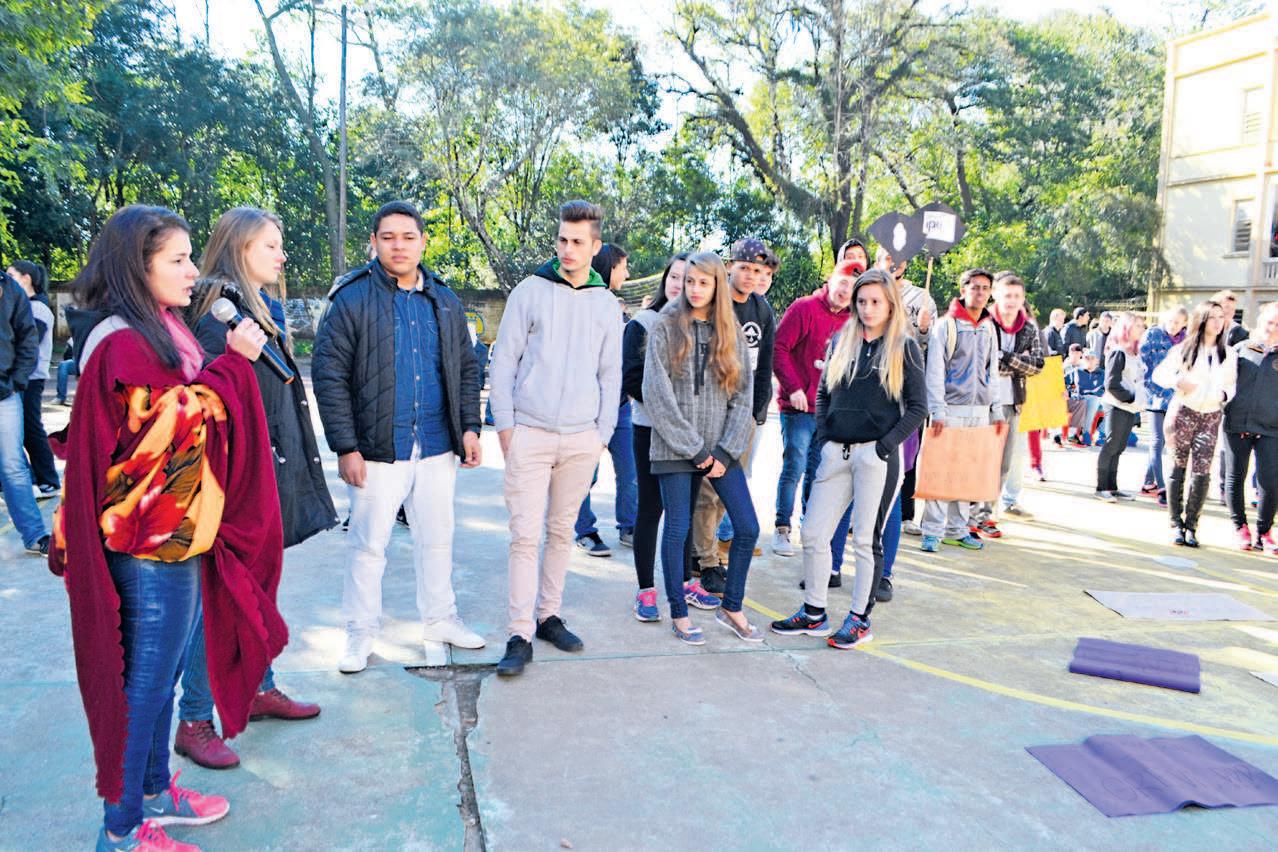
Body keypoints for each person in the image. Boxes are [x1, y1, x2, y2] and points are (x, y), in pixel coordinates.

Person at [51, 204, 283, 851]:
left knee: (163, 681)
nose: (191, 272)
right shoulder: (123, 341)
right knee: (145, 688)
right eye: (177, 260)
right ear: (138, 266)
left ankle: (154, 793)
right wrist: (233, 364)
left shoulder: (159, 327)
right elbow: (169, 432)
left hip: (177, 534)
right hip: (148, 541)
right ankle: (122, 830)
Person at [173, 207, 337, 769]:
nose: (282, 255)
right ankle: (194, 720)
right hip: (230, 481)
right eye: (271, 245)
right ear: (241, 246)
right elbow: (203, 396)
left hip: (262, 470)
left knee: (256, 588)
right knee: (222, 598)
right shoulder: (214, 310)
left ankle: (260, 688)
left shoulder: (256, 305)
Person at [313, 200, 486, 675]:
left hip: (436, 444)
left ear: (423, 242)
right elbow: (330, 377)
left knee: (438, 539)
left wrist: (469, 427)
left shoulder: (444, 300)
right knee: (369, 547)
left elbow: (465, 370)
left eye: (408, 237)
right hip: (376, 449)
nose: (399, 246)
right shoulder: (351, 299)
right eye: (388, 237)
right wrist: (346, 447)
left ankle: (441, 619)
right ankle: (360, 633)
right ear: (373, 242)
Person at [489, 200, 622, 677]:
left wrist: (602, 434)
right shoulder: (530, 290)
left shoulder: (606, 303)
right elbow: (504, 361)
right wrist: (506, 427)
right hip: (530, 432)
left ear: (595, 247)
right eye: (563, 239)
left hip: (581, 439)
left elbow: (611, 373)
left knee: (562, 531)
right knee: (525, 536)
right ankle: (519, 633)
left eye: (577, 242)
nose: (567, 249)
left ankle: (549, 616)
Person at [770, 268, 926, 648]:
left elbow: (918, 408)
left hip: (876, 457)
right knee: (813, 533)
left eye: (875, 302)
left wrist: (883, 447)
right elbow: (824, 392)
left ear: (890, 305)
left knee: (865, 540)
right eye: (862, 301)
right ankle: (814, 612)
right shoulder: (842, 339)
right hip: (835, 452)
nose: (868, 309)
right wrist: (825, 438)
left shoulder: (904, 347)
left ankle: (859, 620)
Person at [642, 251, 761, 645]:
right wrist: (695, 452)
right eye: (689, 281)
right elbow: (656, 394)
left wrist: (724, 452)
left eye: (703, 282)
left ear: (717, 286)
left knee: (747, 527)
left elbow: (743, 396)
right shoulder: (665, 326)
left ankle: (732, 607)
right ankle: (679, 614)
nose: (693, 289)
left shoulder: (731, 332)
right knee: (677, 528)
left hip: (721, 450)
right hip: (675, 449)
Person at [623, 253, 722, 621]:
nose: (681, 285)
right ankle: (646, 590)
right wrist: (671, 409)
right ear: (666, 280)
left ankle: (682, 583)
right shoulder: (644, 323)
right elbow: (633, 379)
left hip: (687, 439)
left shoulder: (700, 326)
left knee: (683, 512)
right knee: (651, 510)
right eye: (676, 277)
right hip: (650, 431)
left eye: (690, 278)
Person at [691, 237, 774, 593]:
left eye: (757, 270)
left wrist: (756, 411)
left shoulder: (762, 309)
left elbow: (764, 364)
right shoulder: (714, 304)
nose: (751, 276)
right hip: (713, 412)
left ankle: (706, 551)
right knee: (708, 490)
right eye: (744, 268)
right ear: (730, 267)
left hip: (745, 415)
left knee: (729, 491)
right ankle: (706, 559)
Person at [771, 258, 858, 556]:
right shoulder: (804, 308)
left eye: (852, 287)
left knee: (818, 471)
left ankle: (810, 527)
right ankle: (782, 526)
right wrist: (793, 387)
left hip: (829, 411)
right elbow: (779, 348)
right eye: (842, 283)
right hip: (798, 406)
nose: (845, 291)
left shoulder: (853, 321)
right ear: (830, 280)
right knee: (794, 465)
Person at [919, 269, 1005, 553]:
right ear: (963, 290)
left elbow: (993, 371)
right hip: (950, 409)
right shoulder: (946, 325)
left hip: (979, 410)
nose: (980, 292)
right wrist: (938, 410)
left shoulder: (989, 327)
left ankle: (957, 529)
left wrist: (995, 409)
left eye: (985, 288)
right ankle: (932, 530)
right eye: (974, 287)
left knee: (967, 472)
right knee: (941, 470)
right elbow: (934, 370)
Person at [1153, 301, 1238, 546]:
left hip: (1210, 415)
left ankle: (1191, 525)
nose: (1218, 322)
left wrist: (1223, 395)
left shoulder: (1228, 354)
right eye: (1213, 317)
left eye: (1221, 317)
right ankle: (1175, 523)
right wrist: (1177, 381)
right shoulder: (1184, 348)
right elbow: (1159, 374)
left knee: (1202, 471)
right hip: (1183, 411)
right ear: (1201, 320)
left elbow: (1232, 384)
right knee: (1177, 466)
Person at [574, 243, 638, 556]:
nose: (627, 274)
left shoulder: (614, 306)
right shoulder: (583, 303)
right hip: (587, 409)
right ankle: (584, 530)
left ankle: (629, 526)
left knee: (630, 470)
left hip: (620, 407)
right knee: (586, 473)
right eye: (623, 267)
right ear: (610, 267)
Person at [875, 246, 936, 537]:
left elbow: (930, 343)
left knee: (908, 450)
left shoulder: (921, 298)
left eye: (898, 258)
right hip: (875, 381)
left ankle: (906, 513)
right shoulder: (870, 290)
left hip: (908, 382)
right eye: (888, 257)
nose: (894, 263)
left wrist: (923, 329)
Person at [974, 272, 1043, 528]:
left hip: (1013, 402)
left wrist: (1004, 356)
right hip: (983, 401)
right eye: (1007, 295)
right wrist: (1016, 360)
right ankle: (970, 512)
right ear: (995, 295)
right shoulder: (984, 323)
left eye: (1017, 296)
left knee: (1003, 463)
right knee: (980, 459)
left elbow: (1037, 365)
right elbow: (982, 362)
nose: (1012, 301)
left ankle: (986, 513)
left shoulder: (1028, 328)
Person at [1223, 302, 1278, 552]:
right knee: (1236, 476)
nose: (1272, 328)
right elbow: (1224, 384)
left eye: (1277, 325)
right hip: (1238, 424)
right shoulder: (1241, 349)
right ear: (1260, 322)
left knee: (1270, 481)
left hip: (1271, 428)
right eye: (1269, 322)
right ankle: (1240, 528)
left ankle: (1264, 532)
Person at [0, 269, 48, 555]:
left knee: (14, 467)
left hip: (4, 393)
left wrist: (16, 382)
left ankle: (35, 535)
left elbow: (28, 338)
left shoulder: (11, 289)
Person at [6, 260, 60, 497]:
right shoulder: (26, 306)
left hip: (30, 378)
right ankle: (38, 480)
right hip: (22, 377)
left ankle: (47, 480)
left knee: (29, 429)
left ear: (26, 278)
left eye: (11, 276)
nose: (7, 281)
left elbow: (27, 343)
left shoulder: (37, 309)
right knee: (23, 430)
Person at [1095, 312, 1148, 503]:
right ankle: (1102, 488)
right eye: (1138, 326)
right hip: (1116, 405)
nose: (1142, 329)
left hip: (1130, 407)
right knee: (1111, 445)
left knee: (1119, 447)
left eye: (1142, 326)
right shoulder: (1118, 352)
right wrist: (1131, 397)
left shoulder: (1135, 353)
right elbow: (1111, 383)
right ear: (1127, 328)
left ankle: (1112, 487)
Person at [1139, 305, 1189, 504]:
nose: (1172, 325)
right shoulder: (1153, 335)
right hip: (1156, 396)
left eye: (1177, 322)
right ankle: (1162, 488)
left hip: (1177, 398)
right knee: (1157, 441)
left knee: (1168, 443)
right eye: (1170, 321)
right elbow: (1145, 366)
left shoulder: (1187, 341)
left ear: (1184, 323)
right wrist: (1154, 391)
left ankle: (1147, 482)